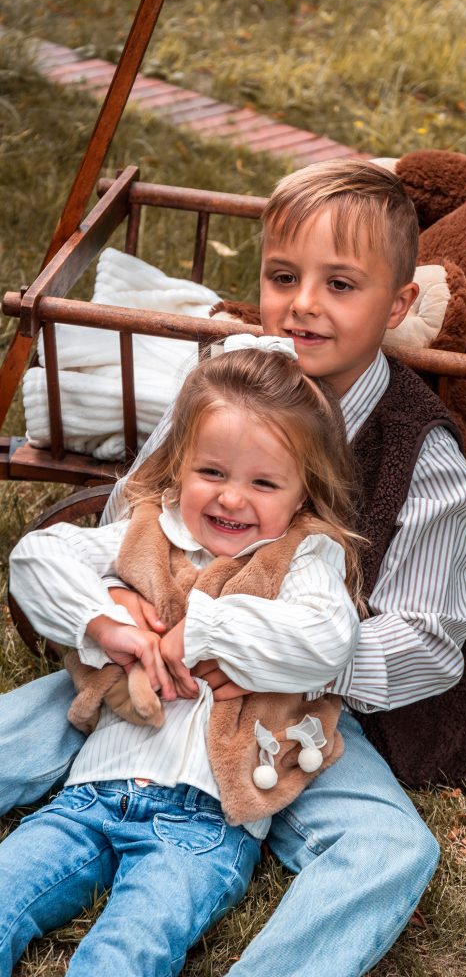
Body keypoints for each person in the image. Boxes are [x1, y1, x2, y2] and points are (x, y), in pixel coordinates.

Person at [0, 159, 466, 976]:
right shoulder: (223, 380)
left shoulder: (421, 450)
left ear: (397, 305)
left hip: (296, 700)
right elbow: (132, 516)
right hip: (143, 667)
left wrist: (249, 653)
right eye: (284, 276)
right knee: (22, 729)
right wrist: (127, 623)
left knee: (389, 848)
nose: (304, 304)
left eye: (340, 285)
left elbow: (429, 640)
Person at [2, 338, 363, 976]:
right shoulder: (150, 530)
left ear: (302, 493)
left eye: (263, 482)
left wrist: (199, 630)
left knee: (125, 953)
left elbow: (326, 639)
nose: (231, 499)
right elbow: (37, 559)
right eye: (213, 473)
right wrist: (108, 624)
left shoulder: (306, 557)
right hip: (87, 795)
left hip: (204, 823)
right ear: (179, 468)